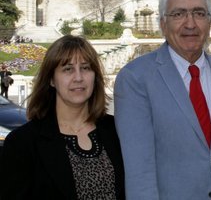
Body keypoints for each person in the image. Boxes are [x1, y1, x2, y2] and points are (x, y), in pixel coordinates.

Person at [114, 0, 211, 199]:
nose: (190, 23)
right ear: (163, 24)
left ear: (210, 23)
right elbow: (139, 171)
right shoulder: (135, 79)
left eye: (199, 13)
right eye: (178, 14)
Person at [0, 35, 125, 199]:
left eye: (86, 68)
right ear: (51, 79)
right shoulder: (23, 142)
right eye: (68, 69)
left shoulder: (118, 131)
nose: (78, 78)